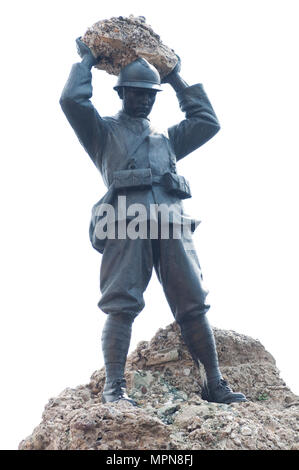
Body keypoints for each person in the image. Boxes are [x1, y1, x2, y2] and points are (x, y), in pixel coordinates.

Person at [60, 37, 247, 405]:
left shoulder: (168, 138)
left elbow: (206, 122)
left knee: (193, 303)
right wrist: (86, 60)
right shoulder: (103, 133)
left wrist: (176, 77)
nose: (145, 99)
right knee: (121, 304)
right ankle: (115, 387)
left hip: (172, 226)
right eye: (137, 93)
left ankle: (214, 382)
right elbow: (72, 101)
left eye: (151, 94)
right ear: (122, 93)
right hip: (127, 224)